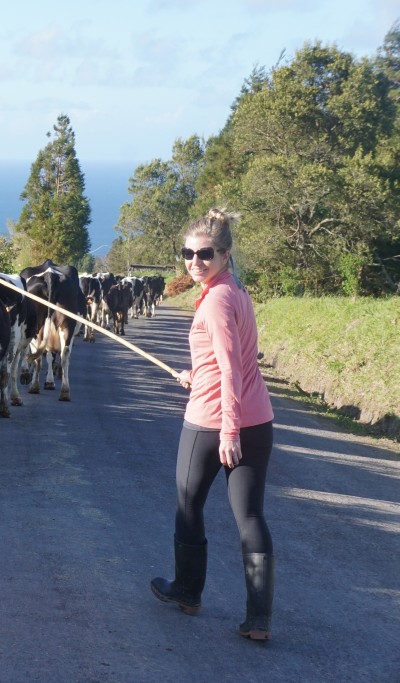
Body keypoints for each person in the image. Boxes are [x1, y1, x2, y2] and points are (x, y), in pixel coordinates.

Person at [150, 208, 276, 641]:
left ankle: (188, 591)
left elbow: (230, 370)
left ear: (225, 254)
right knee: (251, 515)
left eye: (205, 254)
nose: (194, 261)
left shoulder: (218, 299)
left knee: (189, 502)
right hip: (258, 419)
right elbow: (232, 361)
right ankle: (258, 620)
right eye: (188, 253)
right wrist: (193, 374)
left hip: (213, 421)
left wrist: (227, 429)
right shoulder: (235, 290)